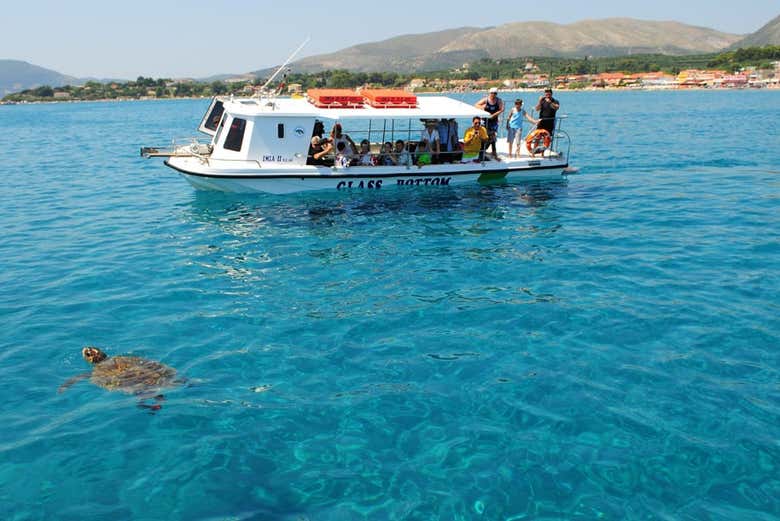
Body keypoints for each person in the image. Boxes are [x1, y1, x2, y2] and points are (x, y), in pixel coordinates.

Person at [475, 87, 504, 160]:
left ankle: (494, 153)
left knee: (493, 137)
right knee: (485, 137)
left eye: (495, 93)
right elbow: (476, 105)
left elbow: (501, 109)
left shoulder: (498, 100)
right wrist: (483, 108)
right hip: (485, 121)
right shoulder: (486, 99)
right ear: (489, 93)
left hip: (493, 121)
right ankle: (482, 152)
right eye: (492, 93)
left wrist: (493, 115)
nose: (493, 95)